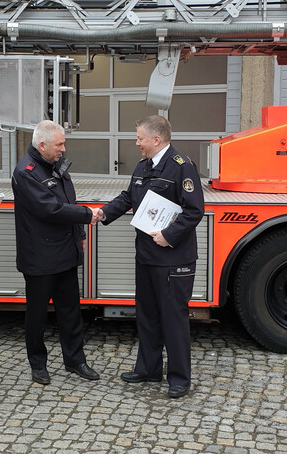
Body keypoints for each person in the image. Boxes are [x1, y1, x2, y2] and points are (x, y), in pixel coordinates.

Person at [95, 115, 204, 399]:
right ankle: (148, 368)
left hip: (172, 257)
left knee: (173, 318)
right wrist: (104, 213)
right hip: (146, 256)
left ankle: (179, 378)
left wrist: (169, 235)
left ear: (157, 139)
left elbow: (194, 211)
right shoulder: (144, 167)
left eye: (140, 138)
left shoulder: (182, 167)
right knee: (147, 316)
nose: (137, 143)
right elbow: (129, 198)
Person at [12, 120, 101, 386]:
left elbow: (68, 201)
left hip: (64, 251)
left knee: (71, 311)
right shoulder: (26, 172)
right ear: (42, 145)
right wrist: (88, 215)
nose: (64, 148)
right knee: (37, 315)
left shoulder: (55, 166)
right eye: (59, 144)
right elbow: (49, 209)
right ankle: (38, 365)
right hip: (39, 256)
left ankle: (75, 361)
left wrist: (80, 234)